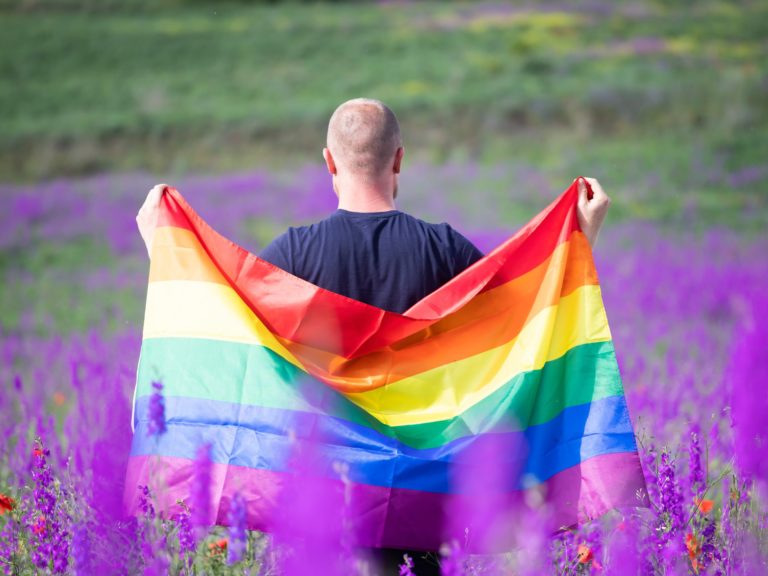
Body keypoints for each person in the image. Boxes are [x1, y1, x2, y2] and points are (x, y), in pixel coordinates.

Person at [136, 98, 611, 574]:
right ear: (399, 158)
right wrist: (581, 241)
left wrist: (165, 252)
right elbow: (526, 326)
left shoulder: (293, 257)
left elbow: (225, 335)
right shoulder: (445, 251)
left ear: (329, 161)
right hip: (423, 510)